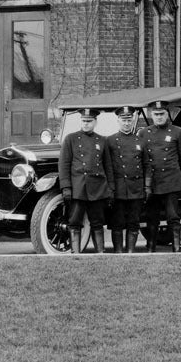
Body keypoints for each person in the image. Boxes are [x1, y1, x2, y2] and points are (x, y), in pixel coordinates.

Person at [58, 108, 113, 253]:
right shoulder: (71, 139)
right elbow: (64, 165)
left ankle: (100, 252)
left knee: (97, 222)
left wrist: (110, 188)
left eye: (89, 121)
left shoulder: (102, 141)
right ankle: (75, 253)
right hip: (78, 188)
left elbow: (108, 166)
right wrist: (66, 187)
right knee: (75, 221)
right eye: (84, 121)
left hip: (97, 188)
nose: (86, 124)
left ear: (95, 122)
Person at [140, 99, 181, 252]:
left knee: (173, 215)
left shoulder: (177, 132)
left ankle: (176, 246)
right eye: (156, 114)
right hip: (152, 181)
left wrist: (175, 173)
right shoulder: (143, 133)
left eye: (162, 114)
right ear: (151, 115)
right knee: (151, 216)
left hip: (171, 180)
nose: (159, 117)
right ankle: (151, 246)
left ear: (167, 114)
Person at [105, 105, 149, 253]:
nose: (126, 123)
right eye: (123, 120)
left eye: (129, 120)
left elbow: (146, 165)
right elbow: (108, 167)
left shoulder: (140, 141)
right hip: (118, 189)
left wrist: (147, 186)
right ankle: (118, 252)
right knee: (117, 223)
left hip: (136, 189)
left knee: (133, 222)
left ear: (133, 120)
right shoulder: (110, 141)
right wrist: (110, 188)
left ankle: (130, 252)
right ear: (118, 121)